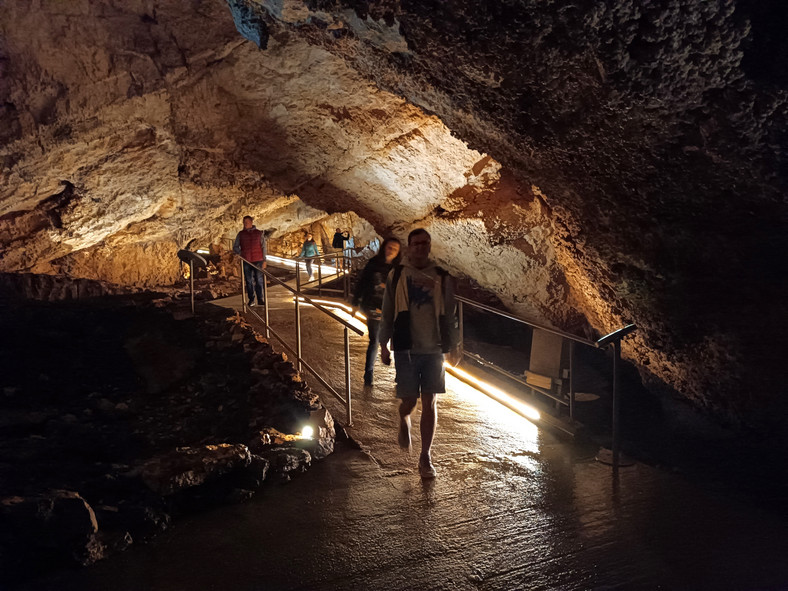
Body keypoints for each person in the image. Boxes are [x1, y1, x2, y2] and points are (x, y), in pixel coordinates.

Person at [379, 229, 460, 479]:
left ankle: (425, 456)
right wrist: (383, 343)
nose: (420, 248)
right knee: (410, 401)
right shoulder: (398, 275)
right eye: (416, 244)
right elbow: (388, 310)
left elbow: (451, 314)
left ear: (429, 246)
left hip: (434, 349)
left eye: (425, 243)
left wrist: (454, 345)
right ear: (409, 247)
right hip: (407, 348)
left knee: (430, 401)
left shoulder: (442, 277)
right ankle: (404, 418)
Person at [352, 237, 402, 386]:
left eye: (395, 249)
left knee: (397, 342)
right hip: (373, 307)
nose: (391, 251)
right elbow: (362, 282)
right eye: (389, 247)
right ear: (384, 247)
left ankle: (400, 376)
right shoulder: (373, 263)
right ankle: (369, 374)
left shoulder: (399, 269)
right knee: (374, 341)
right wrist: (355, 302)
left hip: (393, 310)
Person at [233, 215, 267, 307]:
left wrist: (264, 260)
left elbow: (263, 247)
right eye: (244, 223)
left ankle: (260, 298)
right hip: (246, 261)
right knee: (249, 281)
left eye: (246, 223)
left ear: (251, 222)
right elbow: (235, 246)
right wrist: (241, 253)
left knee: (259, 280)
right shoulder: (241, 234)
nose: (245, 224)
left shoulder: (259, 233)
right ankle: (251, 299)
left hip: (258, 260)